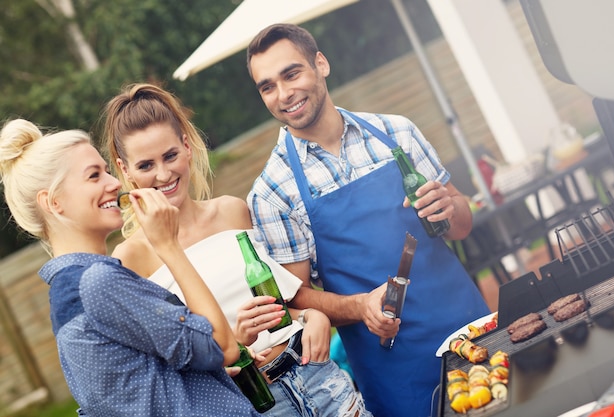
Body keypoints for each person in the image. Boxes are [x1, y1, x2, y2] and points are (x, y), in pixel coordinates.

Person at [245, 23, 492, 417]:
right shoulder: (272, 192)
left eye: (292, 74)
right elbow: (295, 297)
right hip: (393, 369)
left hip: (468, 325)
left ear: (320, 64)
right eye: (267, 86)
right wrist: (361, 307)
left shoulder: (397, 132)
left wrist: (450, 206)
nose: (283, 94)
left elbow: (462, 223)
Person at [102, 82, 371, 417]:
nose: (163, 174)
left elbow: (283, 301)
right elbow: (165, 374)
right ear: (125, 169)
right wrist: (232, 342)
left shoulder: (232, 210)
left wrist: (311, 315)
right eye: (145, 165)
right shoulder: (128, 261)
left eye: (170, 155)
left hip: (316, 376)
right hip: (253, 403)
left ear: (186, 147)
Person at [0, 118, 262, 416]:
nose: (114, 184)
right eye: (94, 176)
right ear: (54, 202)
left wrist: (193, 379)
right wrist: (169, 246)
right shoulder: (98, 282)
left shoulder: (68, 294)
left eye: (107, 172)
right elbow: (222, 345)